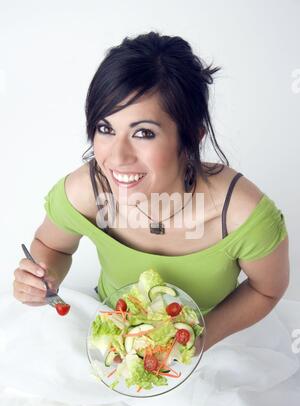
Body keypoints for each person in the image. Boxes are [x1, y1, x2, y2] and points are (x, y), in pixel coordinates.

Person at [13, 31, 289, 352]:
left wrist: (197, 340)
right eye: (106, 129)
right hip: (113, 335)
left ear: (192, 137)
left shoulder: (242, 216)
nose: (116, 158)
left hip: (214, 342)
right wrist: (43, 279)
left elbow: (266, 290)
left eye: (144, 133)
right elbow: (52, 245)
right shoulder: (85, 192)